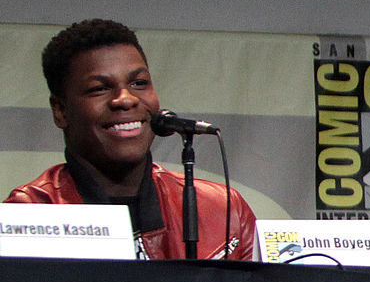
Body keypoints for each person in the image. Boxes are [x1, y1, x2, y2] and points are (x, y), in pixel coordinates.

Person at [4, 19, 256, 260]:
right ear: (60, 110)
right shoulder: (28, 214)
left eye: (139, 83)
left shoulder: (224, 209)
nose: (125, 99)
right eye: (99, 89)